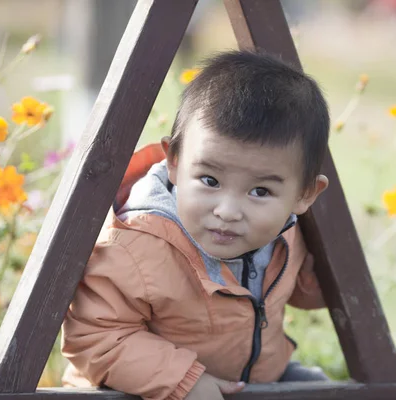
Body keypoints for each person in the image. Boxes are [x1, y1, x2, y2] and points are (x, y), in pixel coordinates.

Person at [60, 50, 331, 400]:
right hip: (140, 390)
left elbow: (289, 289)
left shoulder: (287, 231)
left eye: (260, 191)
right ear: (174, 161)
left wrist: (315, 280)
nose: (228, 211)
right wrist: (183, 382)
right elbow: (94, 337)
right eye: (210, 180)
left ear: (305, 194)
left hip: (252, 381)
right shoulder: (137, 243)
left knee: (323, 389)